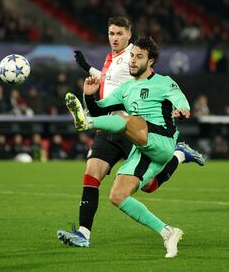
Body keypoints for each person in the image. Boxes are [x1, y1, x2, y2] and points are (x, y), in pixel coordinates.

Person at [57, 16, 204, 250]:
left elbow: (180, 98)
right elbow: (98, 104)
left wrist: (183, 108)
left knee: (124, 121)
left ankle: (89, 123)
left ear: (129, 35)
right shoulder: (119, 73)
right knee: (118, 194)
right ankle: (165, 231)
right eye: (111, 33)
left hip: (156, 136)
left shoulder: (162, 81)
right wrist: (88, 94)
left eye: (119, 34)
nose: (132, 60)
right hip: (129, 134)